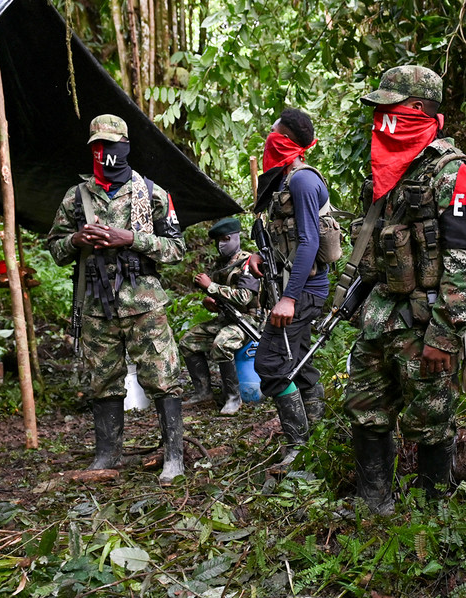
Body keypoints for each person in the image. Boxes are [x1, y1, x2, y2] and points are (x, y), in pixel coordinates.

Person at [343, 65, 466, 516]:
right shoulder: (388, 170)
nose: (380, 119)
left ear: (417, 110)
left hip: (426, 323)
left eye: (389, 108)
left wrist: (445, 336)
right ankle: (375, 502)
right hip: (379, 316)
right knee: (365, 409)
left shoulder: (455, 173)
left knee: (429, 421)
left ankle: (431, 515)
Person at [47, 114, 188, 485]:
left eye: (110, 146)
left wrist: (132, 239)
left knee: (163, 378)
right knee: (102, 381)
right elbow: (55, 248)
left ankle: (174, 455)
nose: (104, 154)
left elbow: (176, 249)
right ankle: (108, 454)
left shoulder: (152, 192)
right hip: (96, 304)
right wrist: (76, 240)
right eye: (97, 147)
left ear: (125, 146)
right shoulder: (76, 197)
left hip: (144, 304)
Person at [248, 108, 330, 468]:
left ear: (285, 140)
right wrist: (261, 256)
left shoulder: (301, 181)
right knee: (299, 363)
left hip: (304, 292)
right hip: (295, 288)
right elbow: (290, 240)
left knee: (270, 364)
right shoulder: (284, 180)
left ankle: (298, 448)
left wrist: (289, 298)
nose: (268, 137)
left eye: (274, 132)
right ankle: (321, 436)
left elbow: (310, 243)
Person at [178, 217, 260, 415]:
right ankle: (203, 392)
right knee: (188, 341)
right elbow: (220, 298)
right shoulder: (221, 264)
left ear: (235, 238)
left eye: (224, 239)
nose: (220, 245)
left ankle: (233, 397)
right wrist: (210, 303)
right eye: (217, 241)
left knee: (222, 343)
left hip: (248, 321)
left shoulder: (247, 263)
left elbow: (244, 297)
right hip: (227, 319)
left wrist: (211, 287)